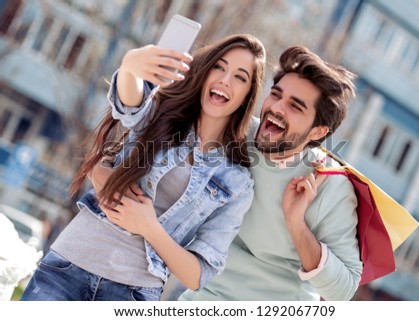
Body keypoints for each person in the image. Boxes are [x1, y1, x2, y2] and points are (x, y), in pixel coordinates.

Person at [21, 33, 266, 301]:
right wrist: (130, 65)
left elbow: (196, 275)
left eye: (240, 77)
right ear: (206, 72)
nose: (224, 80)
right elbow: (129, 103)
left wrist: (149, 227)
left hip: (133, 293)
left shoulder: (237, 182)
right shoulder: (160, 115)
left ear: (247, 95)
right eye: (219, 66)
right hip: (67, 268)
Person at [179, 46, 363, 301]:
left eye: (295, 107)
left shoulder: (329, 184)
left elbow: (343, 290)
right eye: (276, 95)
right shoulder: (235, 133)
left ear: (318, 132)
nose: (277, 108)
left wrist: (297, 225)